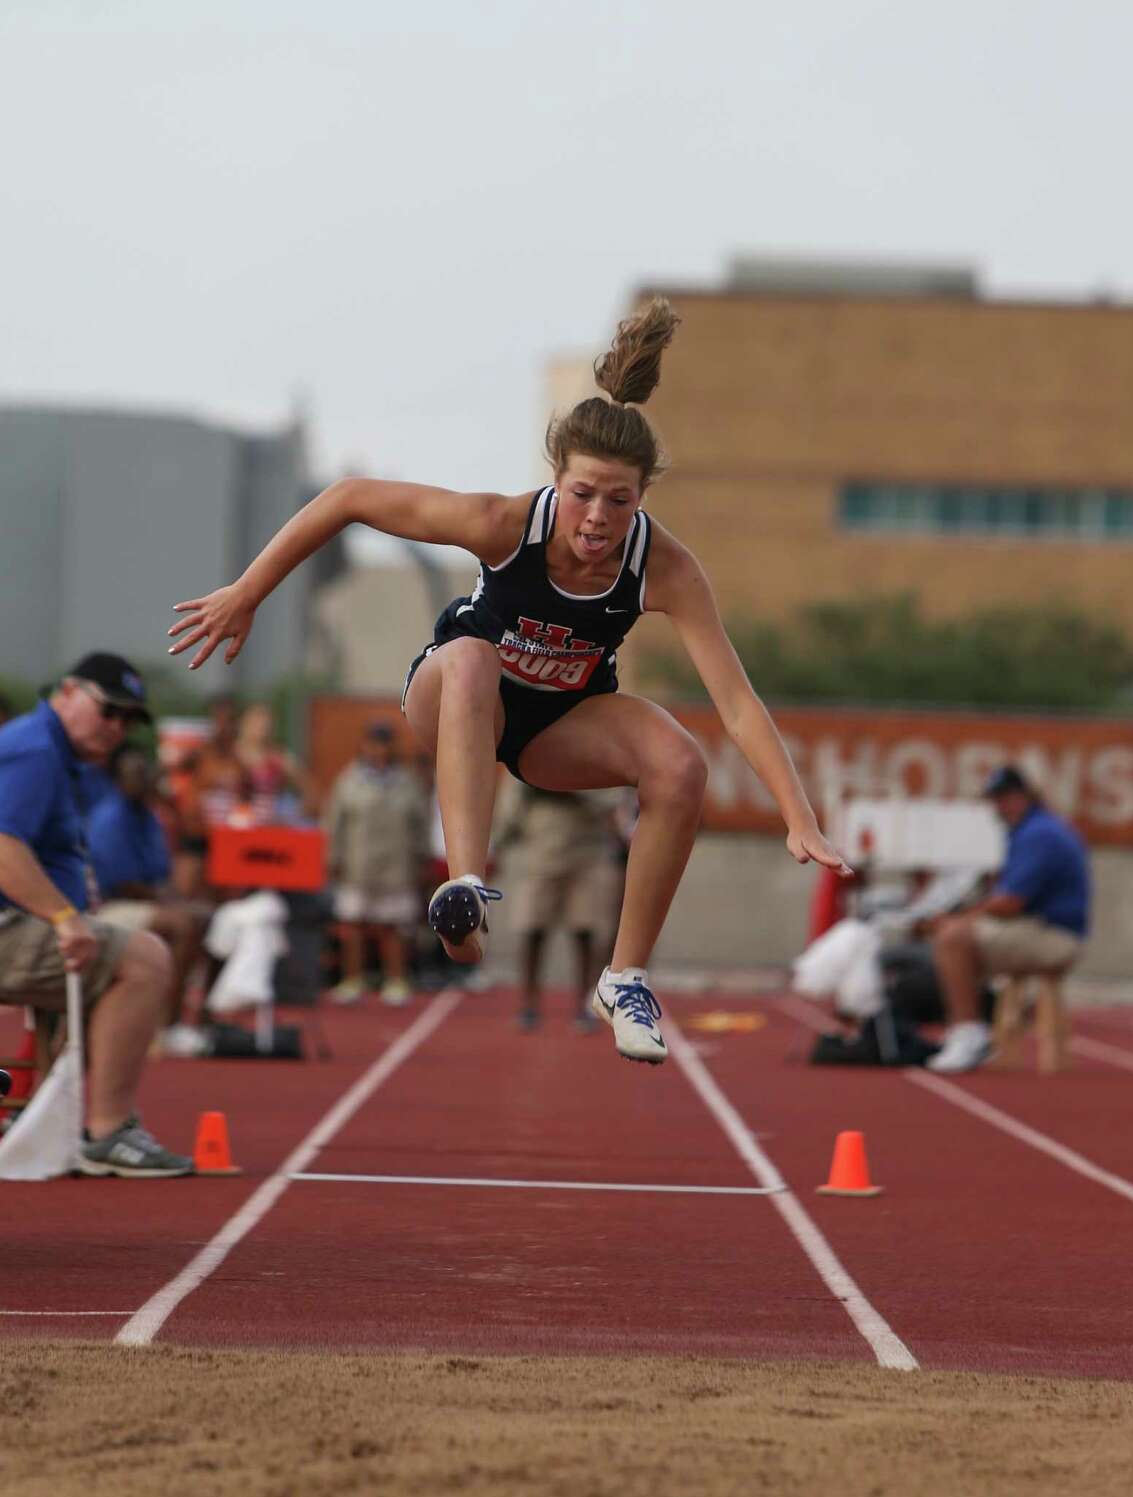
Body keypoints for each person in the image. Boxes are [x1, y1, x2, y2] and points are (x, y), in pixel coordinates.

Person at [168, 299, 851, 1066]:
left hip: (560, 725)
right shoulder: (503, 524)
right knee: (471, 656)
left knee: (681, 763)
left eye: (619, 501)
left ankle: (623, 978)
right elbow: (349, 498)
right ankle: (464, 883)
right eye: (583, 493)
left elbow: (735, 700)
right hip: (458, 701)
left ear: (642, 498)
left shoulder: (664, 568)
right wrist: (247, 592)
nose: (597, 518)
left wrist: (799, 816)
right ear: (556, 480)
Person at [0, 653, 192, 1175]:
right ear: (66, 692)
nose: (117, 727)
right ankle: (106, 1130)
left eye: (129, 719)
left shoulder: (53, 755)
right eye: (109, 711)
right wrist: (64, 918)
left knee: (120, 951)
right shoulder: (34, 751)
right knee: (143, 959)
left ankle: (43, 1114)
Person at [925, 765, 1091, 1073]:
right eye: (994, 799)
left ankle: (968, 1033)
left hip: (1055, 936)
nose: (997, 807)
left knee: (953, 939)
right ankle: (976, 1024)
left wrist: (959, 918)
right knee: (959, 935)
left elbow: (1010, 903)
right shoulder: (1035, 829)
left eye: (1003, 798)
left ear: (1023, 797)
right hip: (1044, 929)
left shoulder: (1038, 834)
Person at [88, 743, 211, 1026]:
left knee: (209, 917)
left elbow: (161, 872)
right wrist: (170, 902)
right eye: (134, 774)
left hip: (145, 901)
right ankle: (165, 1022)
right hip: (110, 907)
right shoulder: (109, 818)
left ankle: (198, 1017)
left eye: (145, 772)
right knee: (182, 925)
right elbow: (123, 883)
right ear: (119, 780)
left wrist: (176, 898)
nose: (142, 779)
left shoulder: (149, 817)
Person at [495, 783, 624, 1033]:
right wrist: (497, 844)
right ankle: (529, 1005)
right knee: (532, 928)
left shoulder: (596, 749)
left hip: (587, 853)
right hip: (541, 851)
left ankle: (584, 1004)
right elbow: (514, 797)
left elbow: (609, 796)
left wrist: (560, 783)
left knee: (585, 932)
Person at [323, 722, 429, 1006]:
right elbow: (335, 823)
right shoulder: (349, 780)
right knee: (353, 924)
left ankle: (395, 981)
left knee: (394, 926)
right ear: (364, 745)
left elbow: (421, 824)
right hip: (358, 863)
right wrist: (332, 858)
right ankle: (352, 980)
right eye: (374, 743)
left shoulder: (408, 782)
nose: (379, 749)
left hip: (397, 865)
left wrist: (422, 859)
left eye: (385, 743)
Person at [235, 703, 315, 824]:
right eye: (256, 722)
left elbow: (308, 786)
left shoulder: (279, 757)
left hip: (270, 825)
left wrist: (295, 813)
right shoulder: (230, 754)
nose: (262, 728)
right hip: (236, 825)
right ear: (243, 723)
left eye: (265, 723)